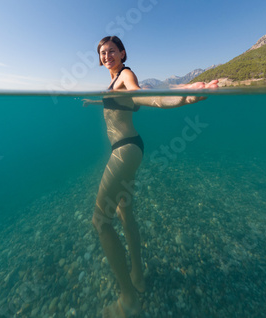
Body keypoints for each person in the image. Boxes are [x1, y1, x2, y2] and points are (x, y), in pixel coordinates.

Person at [84, 36, 218, 317]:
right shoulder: (114, 82)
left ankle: (128, 300)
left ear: (122, 53)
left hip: (123, 151)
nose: (106, 55)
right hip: (132, 147)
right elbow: (122, 103)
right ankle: (138, 276)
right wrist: (95, 101)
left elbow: (144, 95)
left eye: (111, 51)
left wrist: (182, 97)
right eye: (102, 52)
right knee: (124, 212)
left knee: (100, 221)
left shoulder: (125, 75)